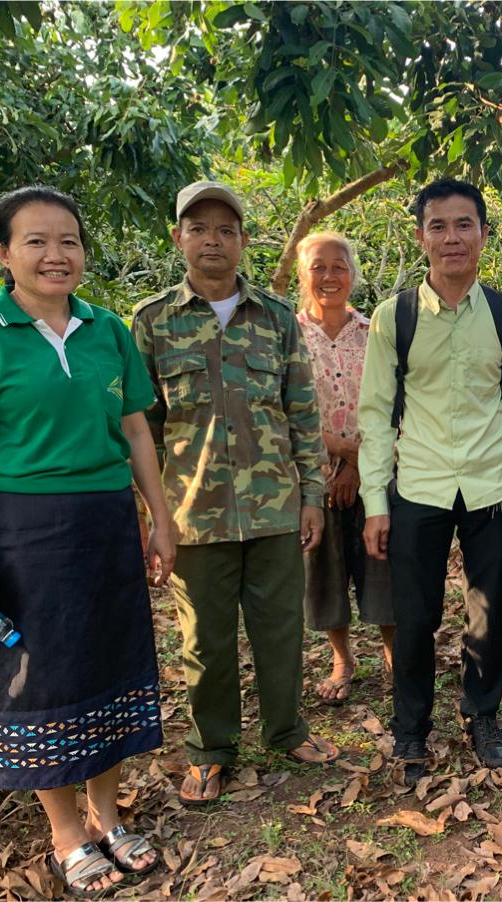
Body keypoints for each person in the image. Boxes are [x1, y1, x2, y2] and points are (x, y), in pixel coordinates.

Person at [0, 186, 174, 896]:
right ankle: (66, 832)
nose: (55, 255)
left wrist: (159, 517)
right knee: (42, 678)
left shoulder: (106, 331)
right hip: (23, 536)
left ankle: (107, 816)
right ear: (3, 253)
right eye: (35, 241)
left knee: (111, 664)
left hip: (104, 525)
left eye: (68, 240)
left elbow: (134, 431)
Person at [132, 180, 337, 807]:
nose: (212, 241)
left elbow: (302, 412)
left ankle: (286, 731)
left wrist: (313, 495)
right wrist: (153, 516)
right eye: (199, 229)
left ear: (244, 241)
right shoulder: (151, 323)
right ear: (179, 239)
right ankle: (211, 750)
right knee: (205, 642)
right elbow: (141, 429)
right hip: (194, 515)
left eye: (225, 230)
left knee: (280, 631)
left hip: (276, 508)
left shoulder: (276, 318)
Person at [357, 178, 502, 780]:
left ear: (483, 235)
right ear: (421, 237)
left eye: (464, 225)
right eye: (438, 226)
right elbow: (375, 412)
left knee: (486, 610)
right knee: (414, 616)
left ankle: (481, 713)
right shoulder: (396, 317)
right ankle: (411, 728)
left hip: (492, 486)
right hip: (419, 487)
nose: (451, 238)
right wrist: (374, 503)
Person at [295, 231, 394, 704]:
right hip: (313, 477)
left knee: (382, 563)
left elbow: (393, 403)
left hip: (375, 471)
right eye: (319, 266)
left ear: (353, 274)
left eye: (339, 266)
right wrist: (337, 453)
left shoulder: (376, 330)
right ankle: (342, 658)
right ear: (302, 273)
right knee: (326, 571)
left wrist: (357, 464)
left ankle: (395, 652)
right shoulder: (287, 335)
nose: (329, 276)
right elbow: (281, 412)